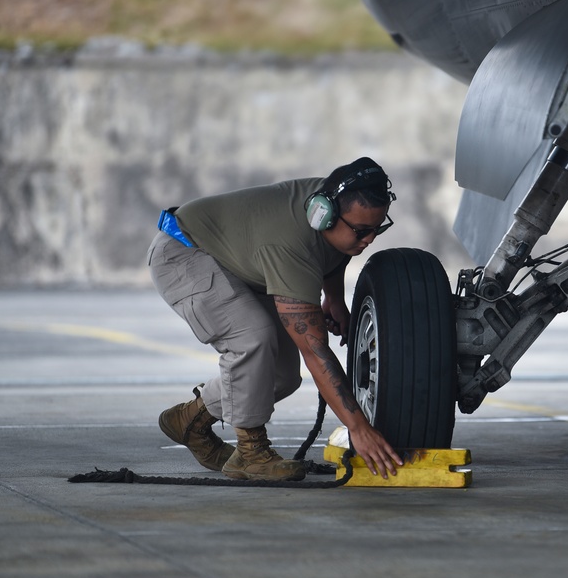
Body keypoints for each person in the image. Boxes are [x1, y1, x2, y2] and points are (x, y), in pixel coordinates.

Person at [148, 157, 404, 481]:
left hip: (239, 262)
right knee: (253, 338)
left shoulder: (331, 202)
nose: (369, 240)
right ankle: (250, 454)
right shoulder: (289, 244)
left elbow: (335, 251)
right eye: (362, 231)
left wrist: (335, 299)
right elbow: (316, 352)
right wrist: (358, 428)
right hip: (184, 250)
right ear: (324, 216)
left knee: (282, 375)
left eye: (377, 229)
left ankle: (189, 420)